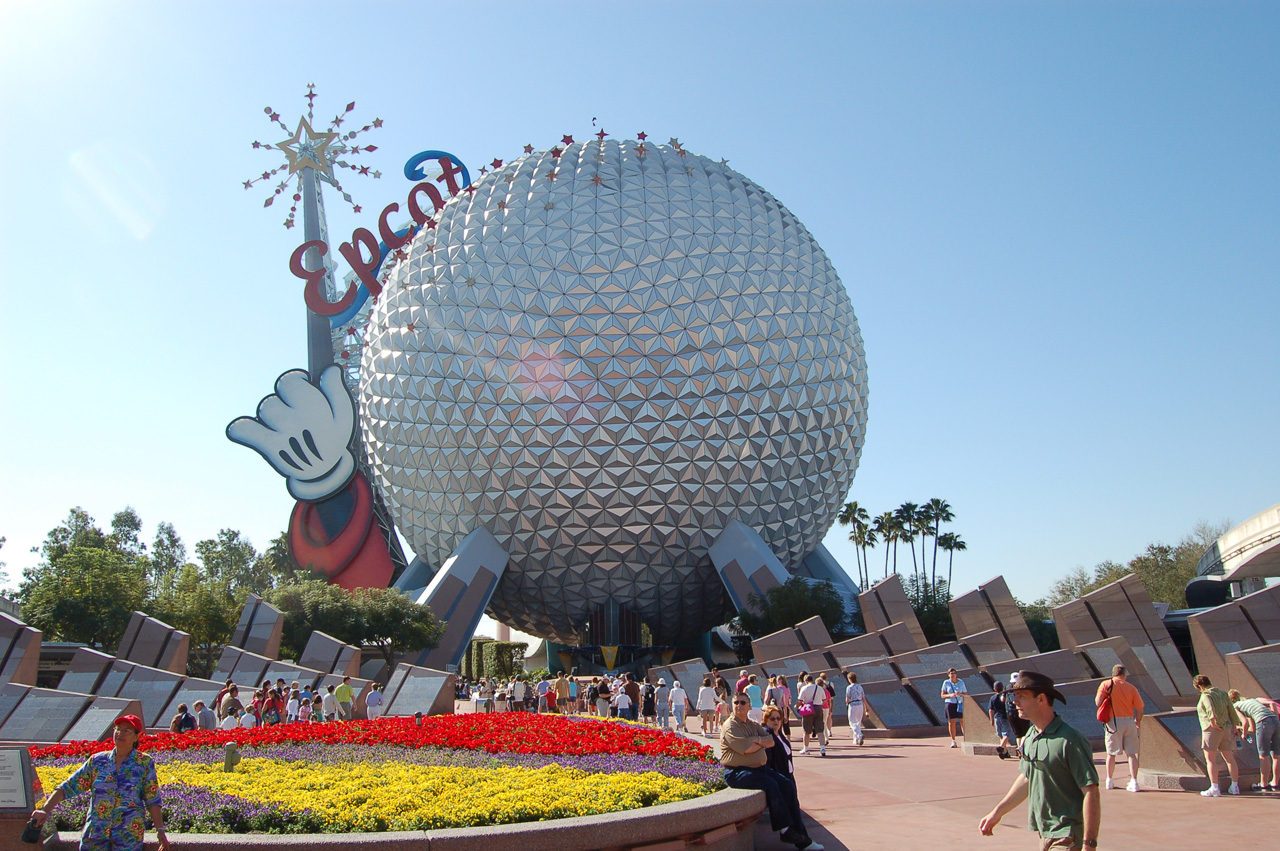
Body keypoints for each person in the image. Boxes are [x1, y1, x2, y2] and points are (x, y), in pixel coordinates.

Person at [979, 671, 1100, 850]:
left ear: (1041, 699)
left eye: (1021, 696)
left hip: (1067, 836)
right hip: (1044, 835)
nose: (1015, 702)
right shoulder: (1031, 735)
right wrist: (997, 812)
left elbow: (1091, 791)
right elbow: (1027, 777)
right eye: (1015, 696)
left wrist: (1089, 844)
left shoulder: (1069, 739)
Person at [31, 715, 170, 851]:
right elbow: (68, 786)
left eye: (126, 731)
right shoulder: (98, 761)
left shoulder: (144, 763)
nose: (120, 733)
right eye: (118, 729)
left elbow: (152, 799)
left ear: (136, 737)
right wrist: (44, 810)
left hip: (128, 835)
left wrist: (160, 830)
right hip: (96, 834)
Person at [720, 692, 823, 850]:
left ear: (749, 706)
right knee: (771, 784)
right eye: (736, 702)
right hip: (736, 772)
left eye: (742, 702)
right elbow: (747, 749)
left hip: (758, 769)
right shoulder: (730, 726)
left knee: (787, 785)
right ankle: (785, 830)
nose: (739, 705)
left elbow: (770, 741)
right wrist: (759, 742)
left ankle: (802, 837)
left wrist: (756, 741)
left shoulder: (752, 724)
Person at [1094, 665, 1144, 791]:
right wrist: (1137, 720)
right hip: (1129, 720)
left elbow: (1098, 702)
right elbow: (1140, 708)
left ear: (1113, 673)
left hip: (1113, 722)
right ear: (1124, 675)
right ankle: (1134, 781)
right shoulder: (1131, 688)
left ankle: (1109, 780)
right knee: (1131, 753)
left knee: (1111, 753)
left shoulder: (1106, 684)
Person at [1194, 674, 1241, 796]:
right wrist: (1235, 726)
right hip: (1225, 728)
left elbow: (1210, 709)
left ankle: (1214, 788)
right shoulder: (1223, 693)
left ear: (1199, 686)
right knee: (1230, 758)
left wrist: (1213, 723)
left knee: (1210, 760)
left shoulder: (1206, 695)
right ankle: (1235, 786)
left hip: (1211, 729)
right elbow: (1231, 709)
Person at [1229, 688, 1280, 791]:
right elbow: (1272, 704)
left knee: (1264, 755)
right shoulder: (1253, 701)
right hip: (1275, 721)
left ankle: (1263, 784)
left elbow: (1245, 723)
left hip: (1263, 722)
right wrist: (1275, 718)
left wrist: (1242, 734)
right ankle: (1275, 783)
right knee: (1276, 755)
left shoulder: (1235, 706)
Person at [796, 673, 828, 756]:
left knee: (806, 730)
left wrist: (797, 706)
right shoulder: (820, 688)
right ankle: (822, 748)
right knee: (820, 730)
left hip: (808, 709)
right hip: (818, 708)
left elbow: (800, 700)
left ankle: (806, 749)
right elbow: (824, 700)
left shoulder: (804, 688)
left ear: (806, 681)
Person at [941, 668, 967, 748]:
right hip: (950, 703)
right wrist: (950, 695)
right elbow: (942, 695)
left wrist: (960, 694)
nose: (952, 675)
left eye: (953, 673)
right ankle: (953, 740)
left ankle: (966, 738)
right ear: (948, 675)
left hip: (959, 703)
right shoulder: (946, 682)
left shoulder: (961, 682)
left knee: (962, 721)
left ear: (956, 674)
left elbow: (966, 694)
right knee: (951, 722)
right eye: (951, 674)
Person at [988, 682, 1015, 759]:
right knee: (1007, 734)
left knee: (1001, 736)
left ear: (994, 689)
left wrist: (991, 719)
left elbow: (990, 710)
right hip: (1004, 717)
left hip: (996, 717)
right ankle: (1001, 747)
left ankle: (1005, 752)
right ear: (1002, 688)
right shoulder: (1004, 696)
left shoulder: (992, 698)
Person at [844, 671, 865, 746]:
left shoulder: (849, 687)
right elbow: (863, 698)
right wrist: (866, 707)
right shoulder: (860, 687)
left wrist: (847, 703)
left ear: (850, 679)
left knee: (852, 722)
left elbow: (847, 698)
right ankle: (855, 739)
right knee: (858, 722)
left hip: (853, 704)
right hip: (860, 704)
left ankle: (859, 734)